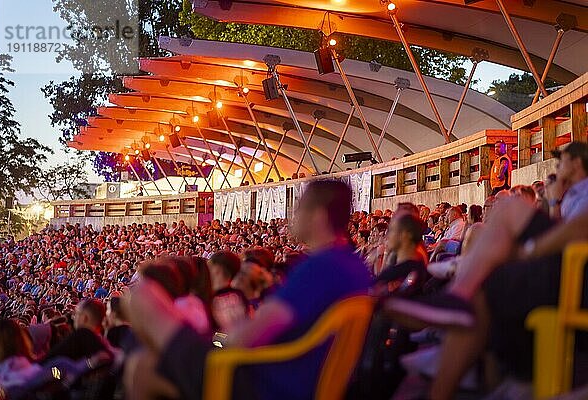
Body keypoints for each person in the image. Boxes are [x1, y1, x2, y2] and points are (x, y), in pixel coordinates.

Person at [123, 180, 371, 400]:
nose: (293, 216)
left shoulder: (319, 267)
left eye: (299, 208)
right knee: (143, 366)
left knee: (143, 297)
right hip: (285, 378)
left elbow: (246, 339)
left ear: (318, 216)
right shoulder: (354, 266)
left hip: (258, 383)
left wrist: (221, 334)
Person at [384, 141, 588, 399]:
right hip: (568, 271)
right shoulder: (572, 194)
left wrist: (527, 251)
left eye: (563, 159)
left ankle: (458, 294)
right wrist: (556, 200)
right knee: (485, 279)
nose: (557, 165)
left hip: (576, 279)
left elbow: (580, 229)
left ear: (578, 163)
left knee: (509, 211)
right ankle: (456, 318)